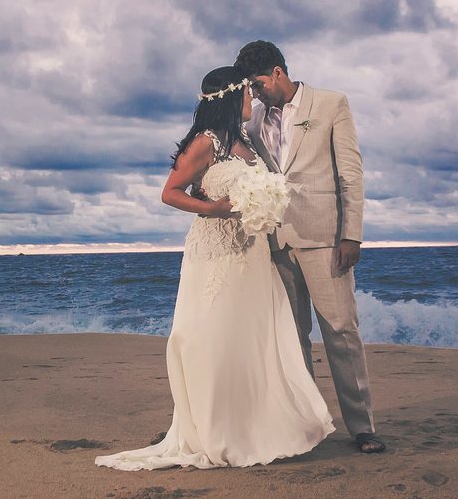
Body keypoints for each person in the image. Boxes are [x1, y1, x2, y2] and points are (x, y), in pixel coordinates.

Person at [94, 66, 334, 471]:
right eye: (246, 94)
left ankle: (259, 423)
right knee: (215, 336)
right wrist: (213, 209)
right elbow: (169, 193)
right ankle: (220, 429)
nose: (252, 100)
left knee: (255, 339)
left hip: (253, 255)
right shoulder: (205, 143)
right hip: (216, 254)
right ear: (229, 98)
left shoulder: (245, 140)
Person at [235, 40, 385, 454]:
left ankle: (362, 426)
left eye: (259, 83)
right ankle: (306, 426)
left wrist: (351, 233)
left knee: (340, 330)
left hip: (324, 238)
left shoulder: (331, 104)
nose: (256, 91)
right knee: (292, 337)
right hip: (275, 241)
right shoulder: (254, 120)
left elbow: (351, 174)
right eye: (251, 86)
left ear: (278, 72)